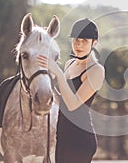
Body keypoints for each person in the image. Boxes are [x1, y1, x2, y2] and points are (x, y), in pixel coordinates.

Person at [37, 18, 105, 163]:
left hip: (80, 139)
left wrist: (58, 73)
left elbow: (73, 105)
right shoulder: (70, 63)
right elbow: (61, 100)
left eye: (84, 41)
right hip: (62, 137)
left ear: (94, 43)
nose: (78, 45)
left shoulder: (96, 70)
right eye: (76, 40)